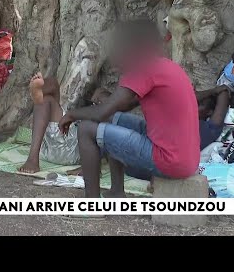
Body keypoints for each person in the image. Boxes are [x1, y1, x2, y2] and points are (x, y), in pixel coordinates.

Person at [57, 19, 200, 199]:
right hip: (186, 159)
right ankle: (117, 191)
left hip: (169, 160)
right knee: (112, 120)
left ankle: (91, 203)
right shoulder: (164, 66)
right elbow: (124, 105)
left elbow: (103, 111)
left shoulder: (144, 68)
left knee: (86, 129)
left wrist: (71, 114)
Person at [18, 74, 110, 174]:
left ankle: (32, 159)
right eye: (94, 101)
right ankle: (36, 93)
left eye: (99, 102)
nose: (95, 103)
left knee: (45, 100)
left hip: (72, 151)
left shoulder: (106, 122)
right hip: (50, 146)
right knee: (52, 83)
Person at [196, 85, 231, 149]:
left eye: (200, 104)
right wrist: (212, 91)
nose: (194, 104)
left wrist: (216, 91)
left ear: (209, 112)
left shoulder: (207, 130)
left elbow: (224, 92)